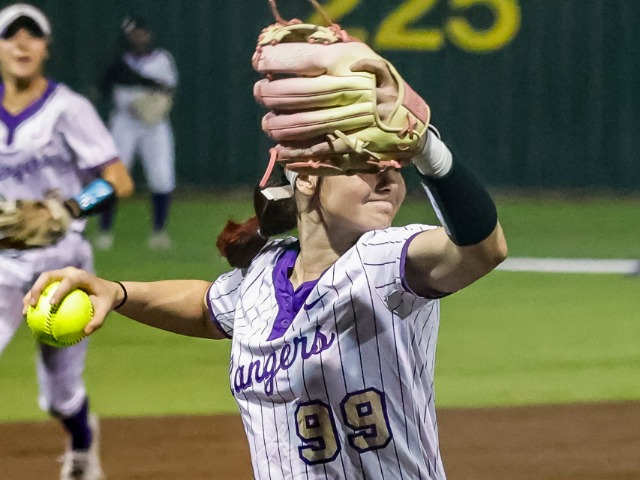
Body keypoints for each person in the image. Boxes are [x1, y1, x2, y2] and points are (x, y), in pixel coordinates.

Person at [25, 47, 507, 480]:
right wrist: (118, 292)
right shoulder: (262, 275)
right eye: (366, 164)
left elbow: (482, 250)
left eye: (396, 167)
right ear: (306, 178)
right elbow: (207, 308)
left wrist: (427, 148)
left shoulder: (388, 261)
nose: (388, 180)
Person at [0, 3, 134, 480]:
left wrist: (70, 209)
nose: (22, 43)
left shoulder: (68, 108)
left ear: (46, 48)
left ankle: (81, 442)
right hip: (3, 263)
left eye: (32, 35)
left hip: (63, 265)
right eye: (11, 34)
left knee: (60, 395)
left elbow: (118, 180)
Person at [96, 15, 178, 251]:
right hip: (124, 122)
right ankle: (104, 232)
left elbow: (169, 89)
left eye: (142, 32)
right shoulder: (119, 61)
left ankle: (159, 232)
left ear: (149, 33)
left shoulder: (161, 59)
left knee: (161, 176)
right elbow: (103, 88)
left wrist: (150, 96)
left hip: (155, 124)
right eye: (134, 33)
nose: (139, 37)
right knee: (113, 176)